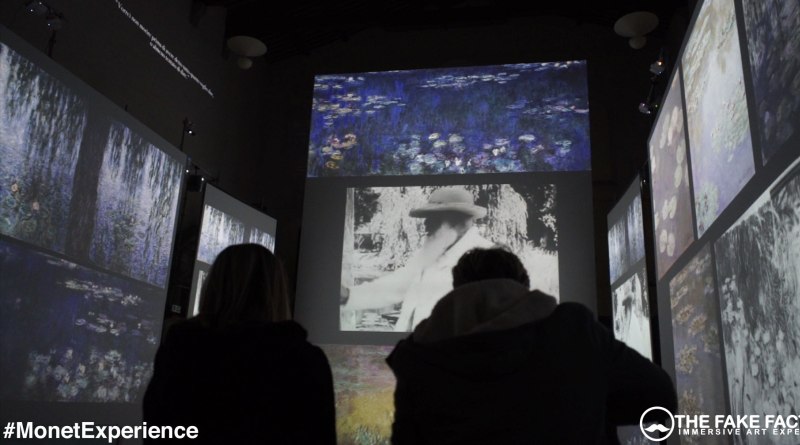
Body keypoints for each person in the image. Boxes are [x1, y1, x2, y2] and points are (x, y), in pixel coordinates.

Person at [387, 247, 676, 444]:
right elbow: (659, 397)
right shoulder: (573, 329)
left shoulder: (419, 360)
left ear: (457, 290)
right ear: (522, 286)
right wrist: (589, 408)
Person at [143, 244, 336, 444]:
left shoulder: (182, 350)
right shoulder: (304, 361)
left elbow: (157, 429)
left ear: (215, 287)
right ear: (277, 293)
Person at [342, 187, 494, 332]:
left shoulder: (487, 258)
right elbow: (395, 286)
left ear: (457, 221)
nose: (425, 224)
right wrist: (348, 296)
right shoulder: (430, 252)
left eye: (434, 218)